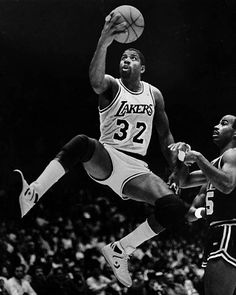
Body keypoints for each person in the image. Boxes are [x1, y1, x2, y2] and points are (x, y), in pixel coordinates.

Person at [15, 11, 189, 287]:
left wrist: (175, 157)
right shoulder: (110, 85)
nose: (126, 61)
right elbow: (95, 82)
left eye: (132, 58)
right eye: (123, 57)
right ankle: (34, 191)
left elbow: (164, 135)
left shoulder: (154, 94)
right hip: (107, 155)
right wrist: (104, 42)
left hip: (137, 168)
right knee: (83, 143)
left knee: (174, 207)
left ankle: (121, 250)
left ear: (142, 68)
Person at [170, 114, 236, 295]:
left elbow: (228, 185)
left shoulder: (233, 155)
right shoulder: (213, 169)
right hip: (217, 229)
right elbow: (183, 183)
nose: (216, 126)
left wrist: (197, 156)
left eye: (224, 124)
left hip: (229, 228)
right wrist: (182, 155)